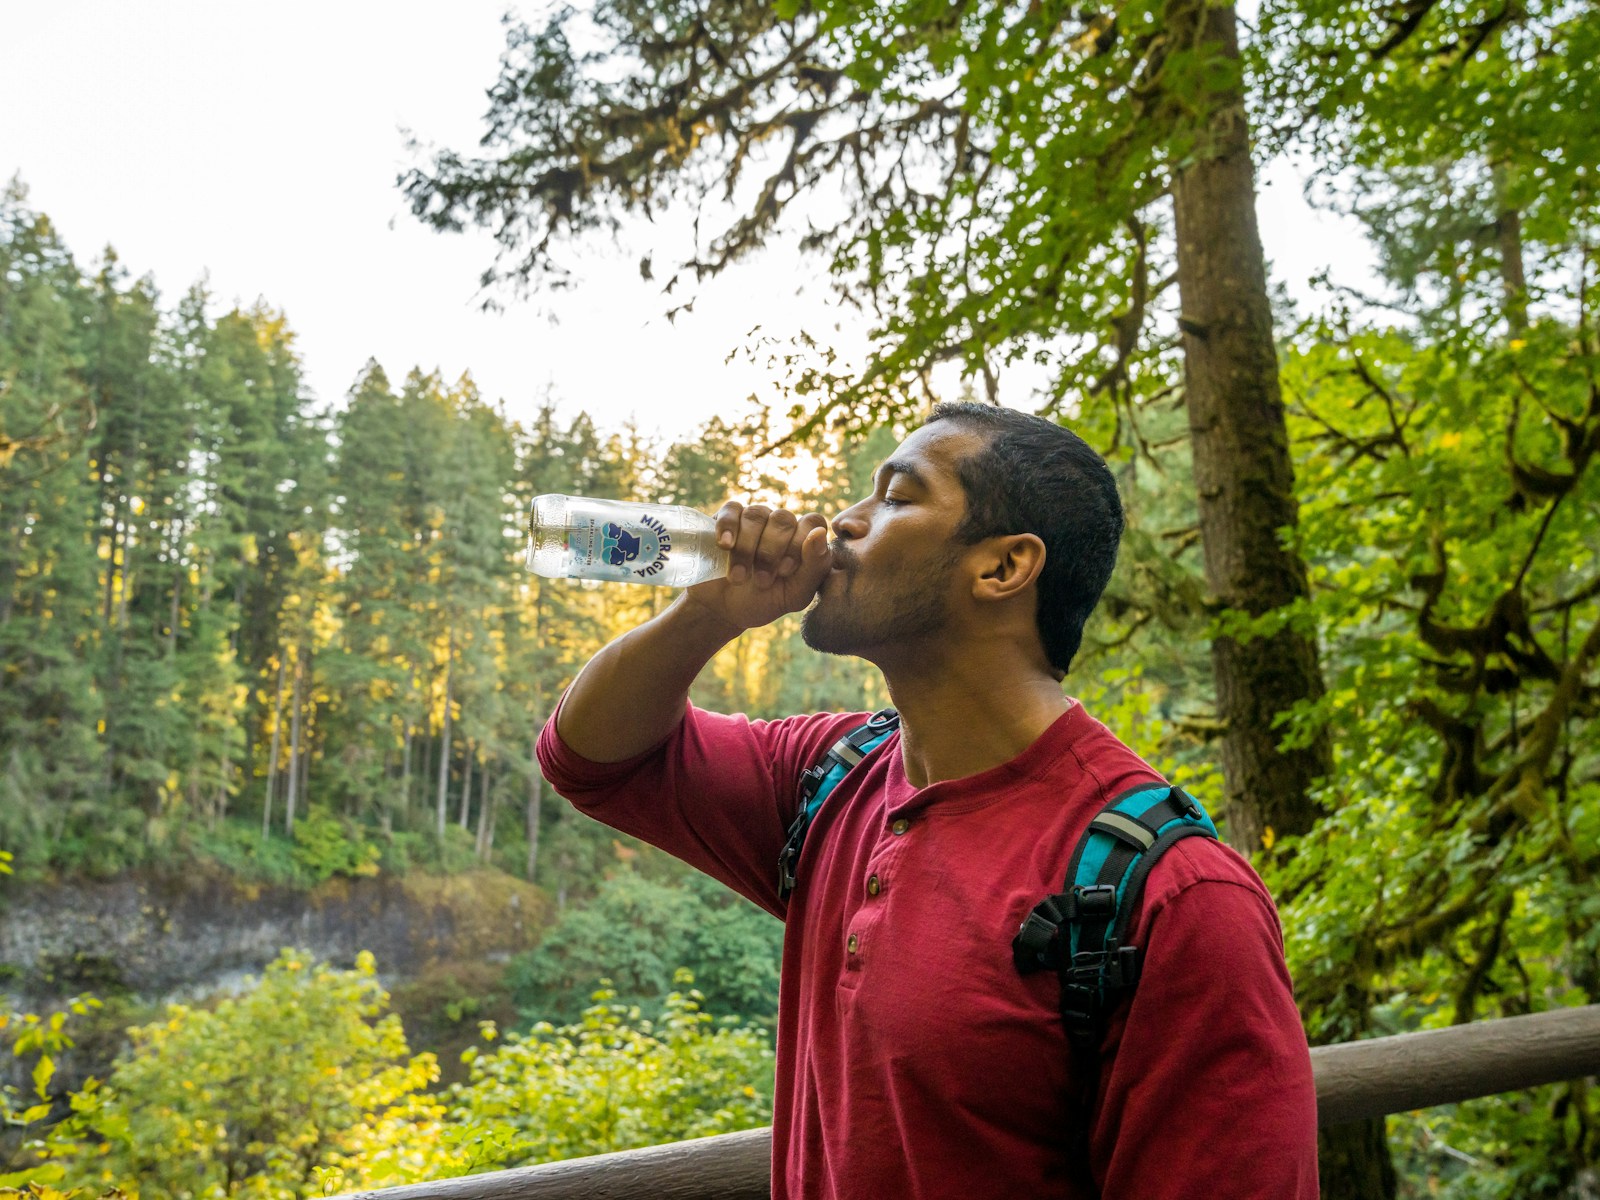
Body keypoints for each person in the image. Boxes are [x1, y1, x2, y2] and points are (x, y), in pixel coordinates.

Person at [536, 402, 1319, 1198]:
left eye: (898, 497)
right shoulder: (834, 775)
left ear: (1003, 568)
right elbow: (594, 759)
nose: (842, 522)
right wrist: (703, 615)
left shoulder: (1174, 899)